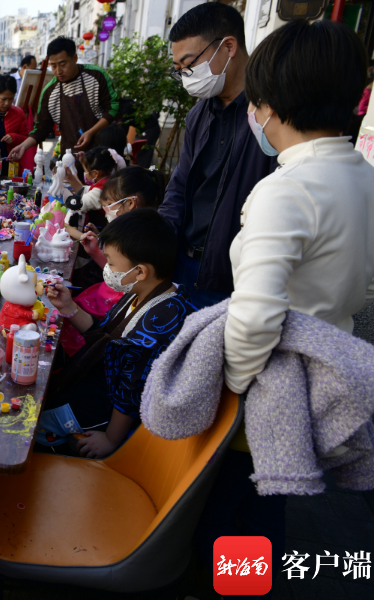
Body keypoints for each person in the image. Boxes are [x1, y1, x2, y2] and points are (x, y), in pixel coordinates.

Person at [196, 18, 374, 579]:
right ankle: (248, 583)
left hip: (268, 386)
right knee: (269, 503)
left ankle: (230, 586)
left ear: (270, 104)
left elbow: (254, 317)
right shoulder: (363, 179)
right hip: (325, 371)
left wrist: (225, 386)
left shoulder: (286, 190)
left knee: (232, 513)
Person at [41, 209, 196, 457]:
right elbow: (105, 334)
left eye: (111, 263)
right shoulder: (146, 291)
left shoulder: (154, 326)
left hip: (110, 409)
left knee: (37, 423)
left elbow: (129, 389)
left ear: (141, 272)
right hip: (100, 381)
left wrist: (112, 438)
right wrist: (69, 308)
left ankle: (57, 450)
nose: (107, 268)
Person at [161, 2, 278, 309]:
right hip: (185, 264)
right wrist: (157, 238)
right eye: (180, 71)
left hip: (237, 276)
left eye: (190, 65)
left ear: (228, 46)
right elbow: (181, 184)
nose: (187, 77)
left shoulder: (272, 114)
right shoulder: (200, 114)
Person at [8, 37, 118, 161]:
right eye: (53, 66)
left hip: (102, 155)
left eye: (63, 64)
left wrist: (91, 132)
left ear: (75, 58)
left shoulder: (96, 76)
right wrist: (23, 146)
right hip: (71, 157)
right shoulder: (49, 91)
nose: (58, 71)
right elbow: (42, 128)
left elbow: (112, 108)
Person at [78, 166, 167, 269]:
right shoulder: (138, 228)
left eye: (110, 204)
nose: (107, 211)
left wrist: (95, 251)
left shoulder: (138, 240)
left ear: (130, 203)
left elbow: (118, 276)